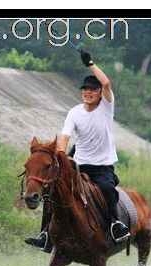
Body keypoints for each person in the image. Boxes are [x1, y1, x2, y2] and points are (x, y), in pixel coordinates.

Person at [25, 50, 130, 252]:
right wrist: (61, 155)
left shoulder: (106, 108)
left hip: (101, 167)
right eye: (85, 90)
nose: (88, 93)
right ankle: (45, 235)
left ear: (100, 93)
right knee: (53, 192)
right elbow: (65, 136)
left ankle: (115, 224)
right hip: (78, 163)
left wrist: (89, 63)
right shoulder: (74, 112)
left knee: (107, 190)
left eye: (92, 90)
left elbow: (107, 83)